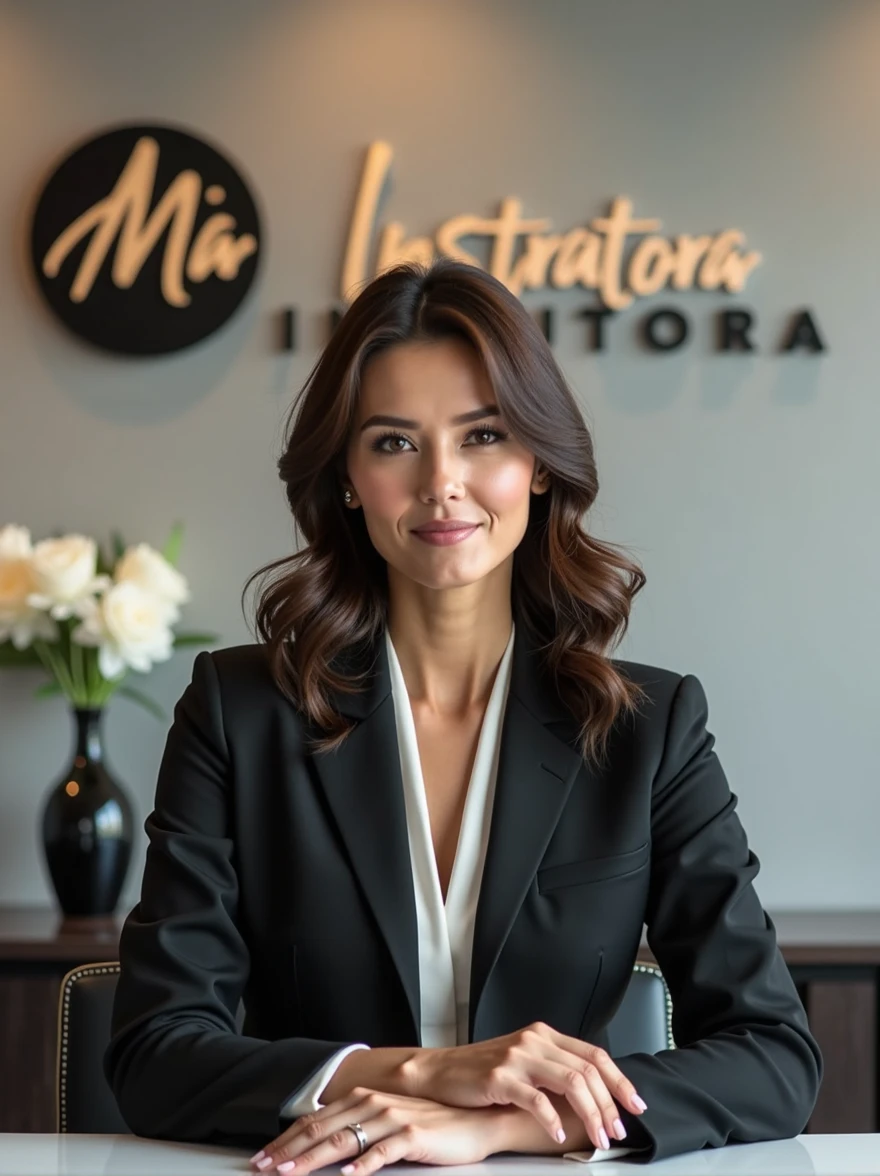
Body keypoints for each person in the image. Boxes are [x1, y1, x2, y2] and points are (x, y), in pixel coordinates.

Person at [104, 259, 822, 1172]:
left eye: (483, 435)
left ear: (539, 467)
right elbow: (154, 1055)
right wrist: (424, 1074)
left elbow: (775, 1057)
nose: (443, 482)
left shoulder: (650, 726)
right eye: (395, 443)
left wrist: (500, 1124)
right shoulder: (237, 713)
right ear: (349, 479)